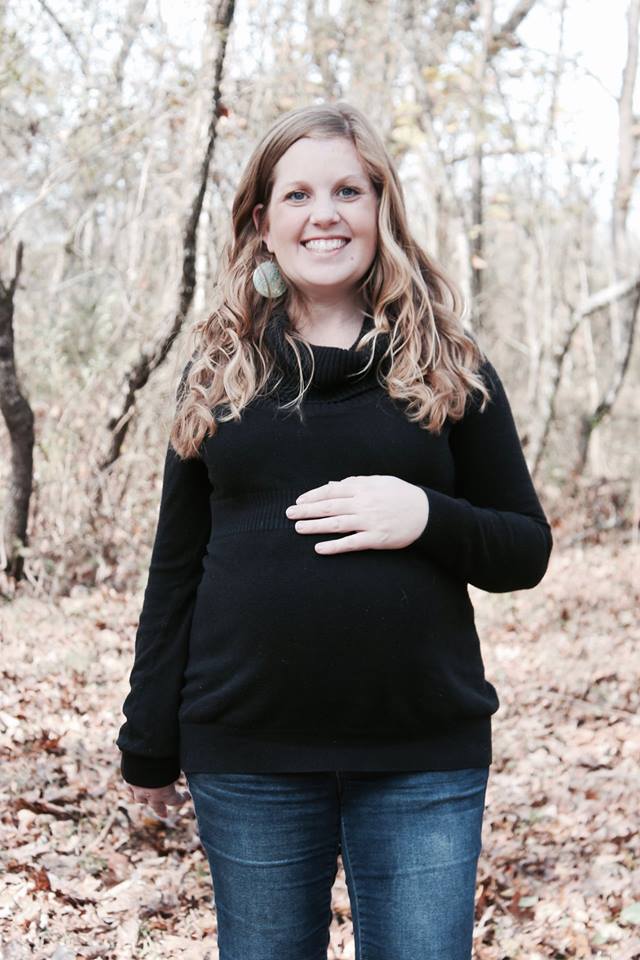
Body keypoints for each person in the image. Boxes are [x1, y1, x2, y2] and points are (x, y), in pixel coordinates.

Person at [116, 101, 553, 960]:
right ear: (262, 223)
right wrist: (148, 741)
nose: (326, 214)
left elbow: (524, 549)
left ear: (381, 208)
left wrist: (423, 515)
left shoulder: (448, 365)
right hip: (249, 755)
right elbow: (175, 571)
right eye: (299, 194)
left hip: (422, 755)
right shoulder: (219, 373)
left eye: (349, 191)